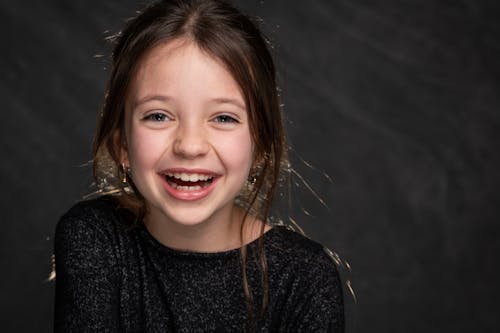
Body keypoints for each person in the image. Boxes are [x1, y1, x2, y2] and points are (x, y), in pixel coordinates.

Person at [53, 0, 344, 331]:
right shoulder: (95, 238)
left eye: (223, 117)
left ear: (261, 143)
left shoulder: (304, 276)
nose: (190, 146)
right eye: (158, 115)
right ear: (121, 145)